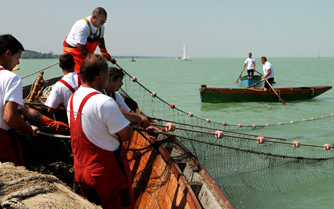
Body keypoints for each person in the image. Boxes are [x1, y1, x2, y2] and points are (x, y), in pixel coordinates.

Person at [67, 54, 134, 209]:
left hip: (81, 171)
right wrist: (131, 123)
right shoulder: (105, 102)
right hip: (106, 176)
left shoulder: (73, 97)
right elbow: (126, 135)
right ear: (101, 75)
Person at [0, 34, 68, 166]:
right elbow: (10, 118)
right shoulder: (10, 79)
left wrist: (48, 122)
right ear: (7, 54)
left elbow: (23, 108)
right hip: (3, 142)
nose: (18, 63)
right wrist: (27, 128)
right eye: (17, 57)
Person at [63, 7, 116, 73]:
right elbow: (81, 46)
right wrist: (93, 60)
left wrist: (104, 53)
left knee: (92, 70)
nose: (102, 24)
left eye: (104, 22)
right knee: (82, 72)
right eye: (101, 21)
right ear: (94, 17)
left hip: (88, 51)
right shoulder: (83, 26)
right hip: (73, 50)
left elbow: (100, 39)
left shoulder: (101, 27)